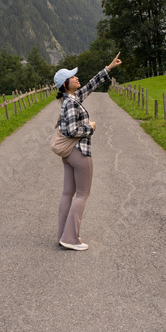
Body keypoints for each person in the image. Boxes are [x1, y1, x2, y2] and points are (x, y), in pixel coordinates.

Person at [53, 52, 123, 251]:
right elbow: (72, 131)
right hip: (79, 153)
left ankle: (62, 235)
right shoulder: (71, 103)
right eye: (72, 76)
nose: (76, 77)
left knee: (68, 193)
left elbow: (91, 85)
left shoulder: (71, 98)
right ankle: (71, 238)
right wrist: (91, 127)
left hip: (69, 155)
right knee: (82, 194)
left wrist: (108, 68)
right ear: (65, 84)